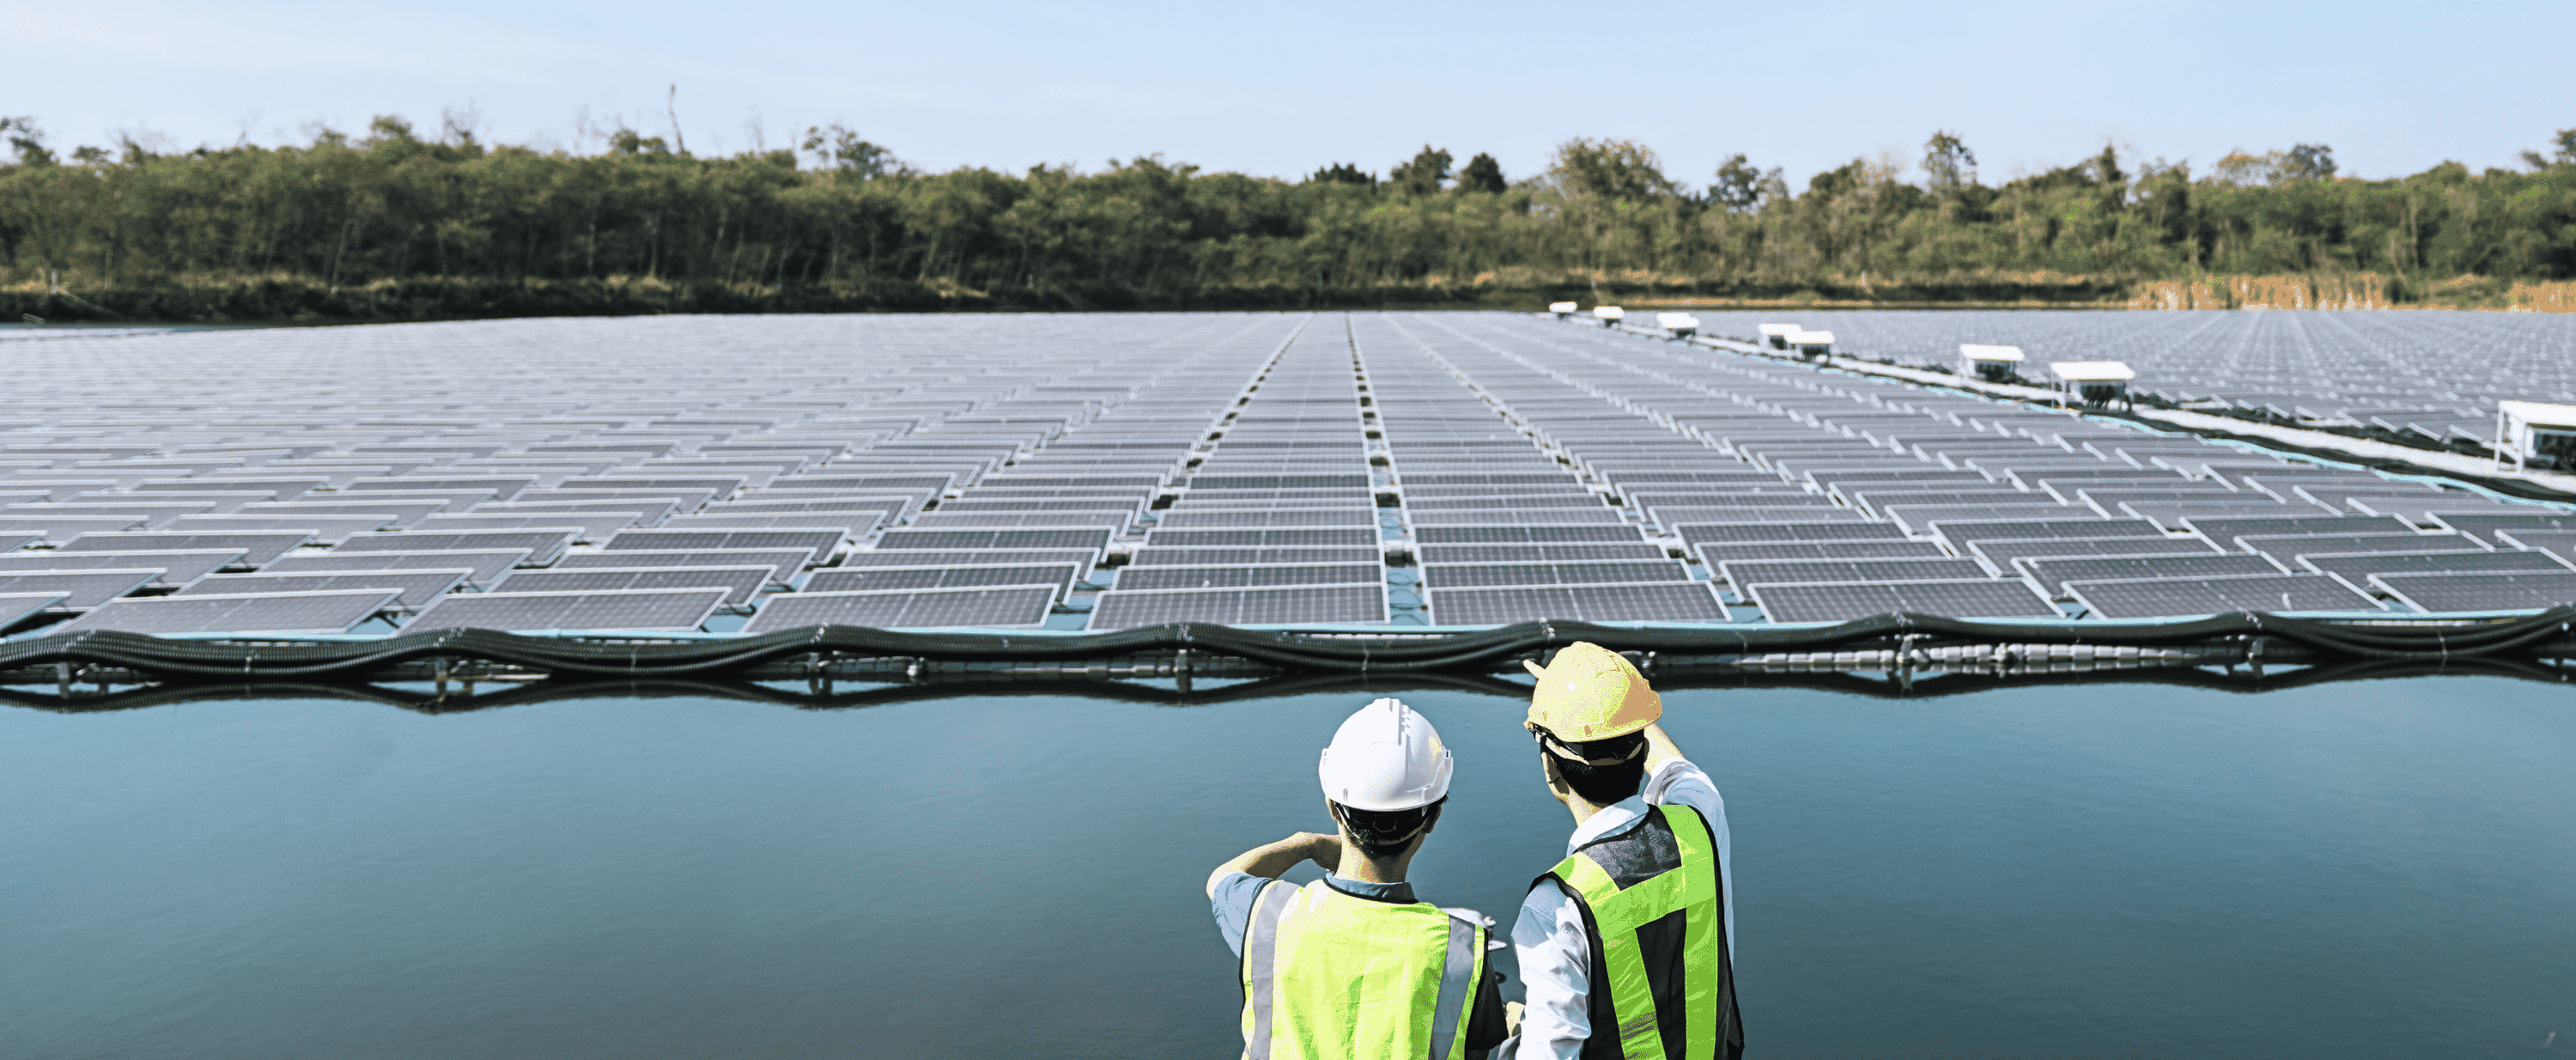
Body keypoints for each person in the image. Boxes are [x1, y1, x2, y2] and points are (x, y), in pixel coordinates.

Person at [1207, 698, 1512, 1059]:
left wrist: (1305, 845)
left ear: (1333, 806)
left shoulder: (1271, 916)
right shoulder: (1461, 949)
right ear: (1432, 818)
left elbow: (1222, 879)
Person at [1498, 643, 1741, 1060]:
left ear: (1549, 767)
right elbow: (1673, 766)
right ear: (1639, 745)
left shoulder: (1555, 909)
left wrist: (1517, 1031)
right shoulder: (1701, 822)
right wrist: (1606, 707)